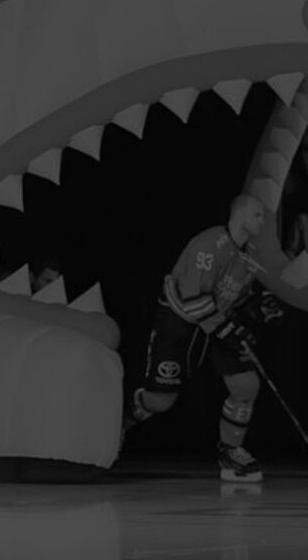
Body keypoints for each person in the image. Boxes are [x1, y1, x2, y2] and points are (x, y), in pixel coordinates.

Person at [122, 194, 288, 482]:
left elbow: (236, 295)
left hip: (217, 320)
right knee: (161, 401)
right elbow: (193, 299)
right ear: (239, 216)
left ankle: (231, 452)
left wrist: (261, 307)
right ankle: (119, 423)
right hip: (181, 322)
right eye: (257, 215)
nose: (263, 221)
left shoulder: (251, 254)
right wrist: (228, 331)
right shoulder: (209, 245)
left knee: (246, 385)